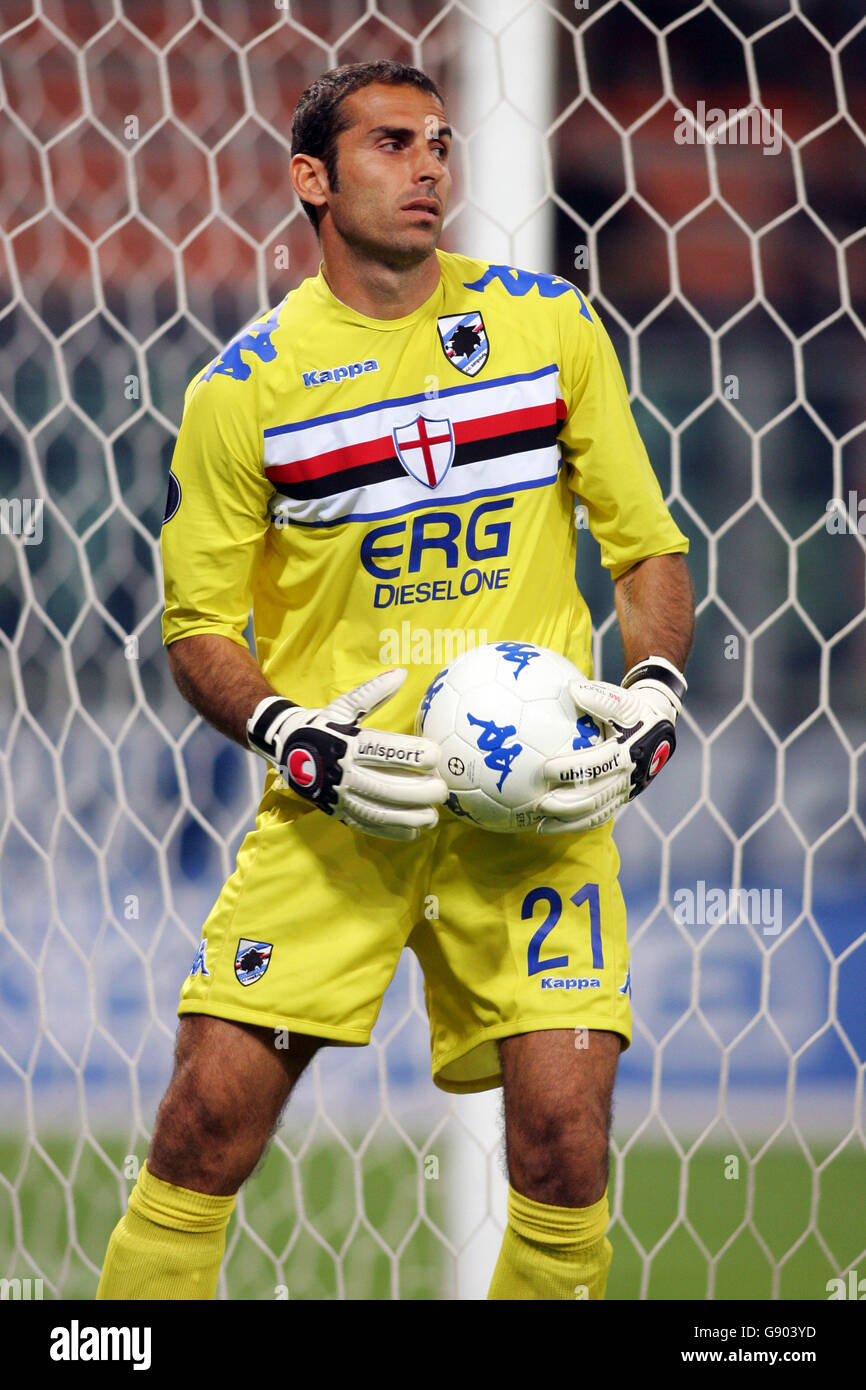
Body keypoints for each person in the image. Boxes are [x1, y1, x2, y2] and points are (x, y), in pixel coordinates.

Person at [97, 58, 694, 1302]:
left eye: (435, 142)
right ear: (312, 179)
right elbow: (197, 625)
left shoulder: (548, 326)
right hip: (338, 810)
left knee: (564, 1144)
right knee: (203, 1128)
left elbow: (642, 546)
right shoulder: (242, 391)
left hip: (527, 817)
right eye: (387, 144)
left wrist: (651, 695)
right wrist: (292, 737)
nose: (427, 166)